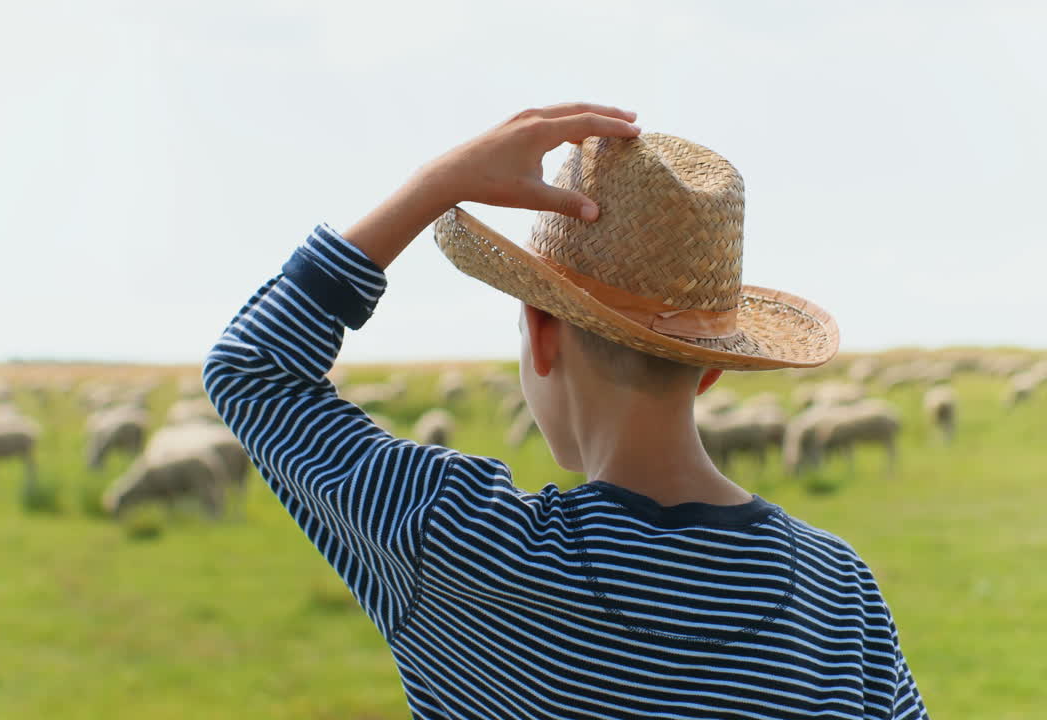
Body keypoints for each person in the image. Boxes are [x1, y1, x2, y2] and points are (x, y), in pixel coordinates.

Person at [204, 103, 927, 719]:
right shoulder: (840, 594)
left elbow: (250, 371)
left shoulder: (462, 543)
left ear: (542, 334)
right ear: (711, 368)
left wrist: (436, 183)